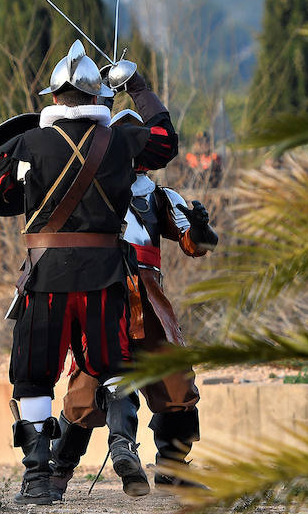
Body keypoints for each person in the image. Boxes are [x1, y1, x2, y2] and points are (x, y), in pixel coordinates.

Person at [0, 40, 177, 505]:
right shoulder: (121, 142)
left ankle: (38, 480)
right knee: (114, 366)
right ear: (99, 98)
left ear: (55, 99)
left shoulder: (29, 143)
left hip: (46, 281)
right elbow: (165, 141)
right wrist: (137, 87)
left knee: (33, 378)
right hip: (105, 278)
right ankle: (124, 445)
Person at [50, 109, 218, 501]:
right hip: (104, 298)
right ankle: (55, 475)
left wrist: (201, 227)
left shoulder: (159, 196)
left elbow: (198, 246)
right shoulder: (87, 187)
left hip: (151, 304)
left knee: (176, 386)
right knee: (84, 395)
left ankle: (173, 470)